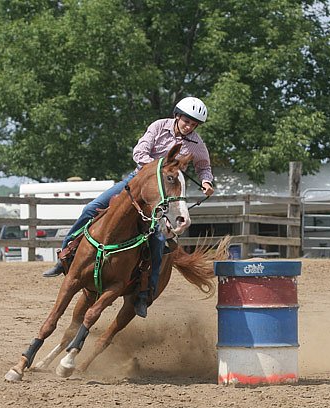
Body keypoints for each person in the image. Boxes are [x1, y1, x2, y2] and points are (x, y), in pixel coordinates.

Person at [43, 96, 216, 318]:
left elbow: (204, 167)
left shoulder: (197, 145)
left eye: (194, 124)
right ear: (177, 115)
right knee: (91, 209)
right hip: (136, 183)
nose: (189, 126)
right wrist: (155, 170)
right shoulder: (158, 127)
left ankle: (145, 292)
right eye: (187, 121)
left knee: (159, 241)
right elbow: (139, 151)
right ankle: (65, 256)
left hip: (161, 196)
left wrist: (206, 181)